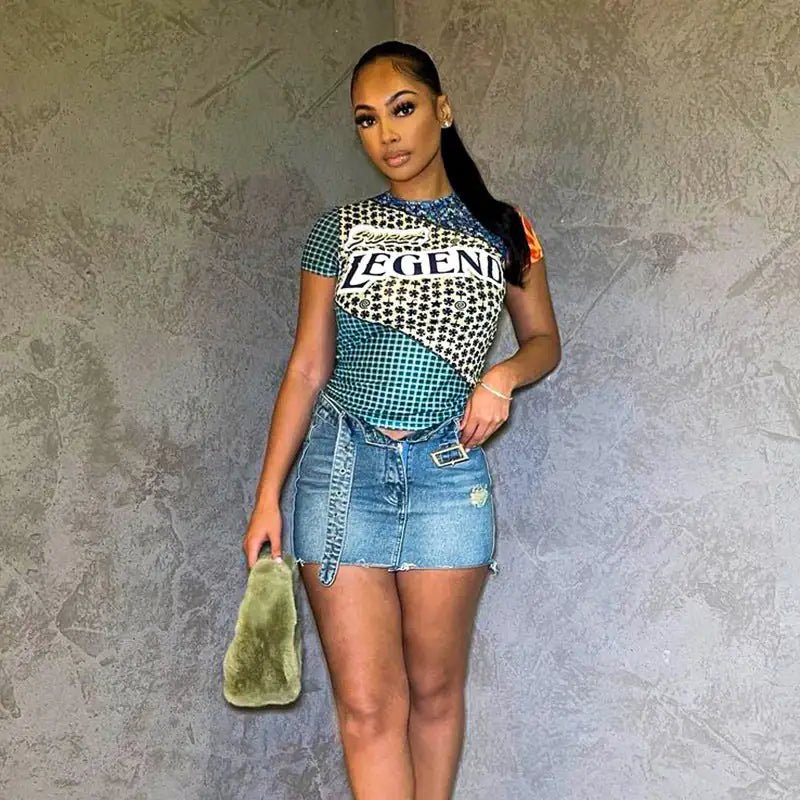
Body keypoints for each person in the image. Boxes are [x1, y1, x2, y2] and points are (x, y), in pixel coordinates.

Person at [242, 40, 561, 800]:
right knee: (365, 708)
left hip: (448, 478)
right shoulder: (338, 230)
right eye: (366, 119)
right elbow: (307, 367)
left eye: (403, 108)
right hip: (341, 474)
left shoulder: (505, 228)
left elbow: (544, 341)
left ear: (442, 110)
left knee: (436, 693)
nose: (386, 133)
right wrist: (266, 497)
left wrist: (502, 377)